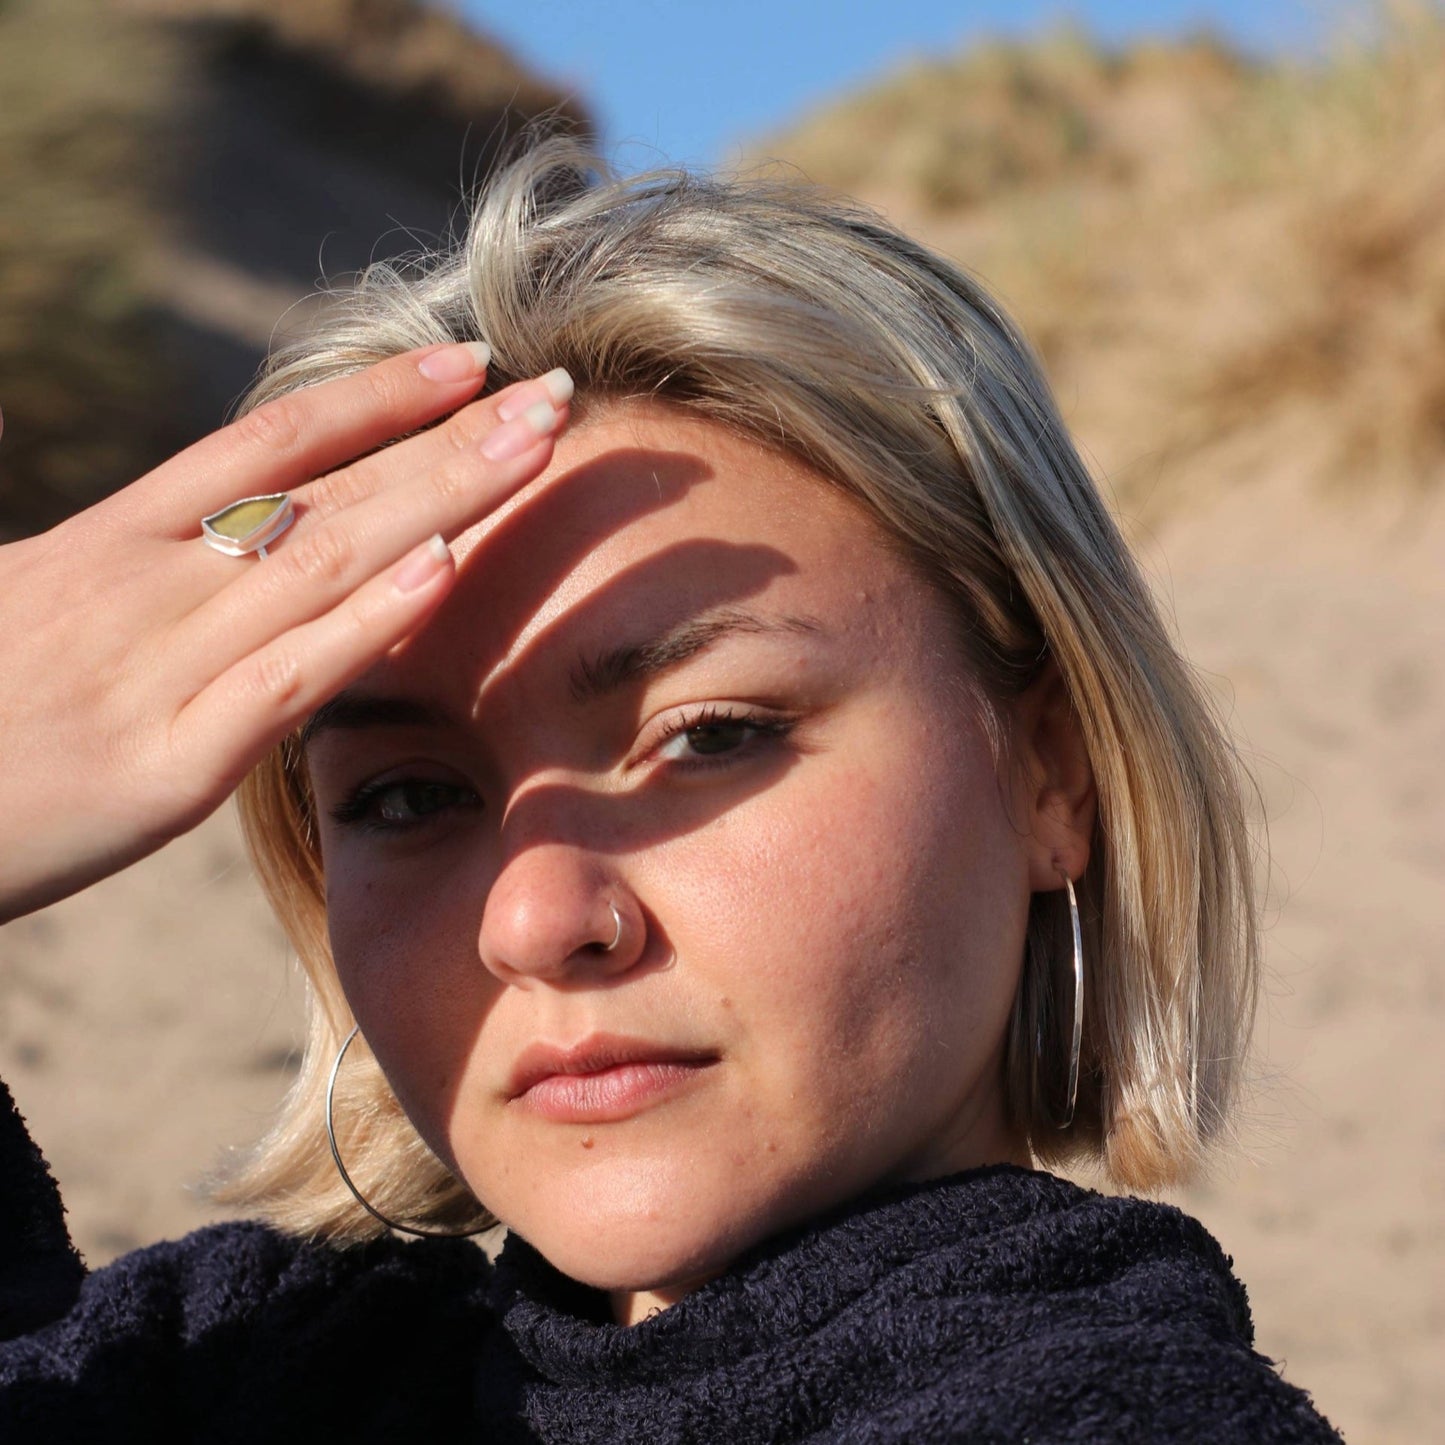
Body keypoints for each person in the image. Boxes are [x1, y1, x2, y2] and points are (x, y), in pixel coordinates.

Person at [0, 138, 1342, 1441]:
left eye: (706, 736)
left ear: (1055, 768)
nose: (536, 918)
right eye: (407, 797)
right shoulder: (220, 1368)